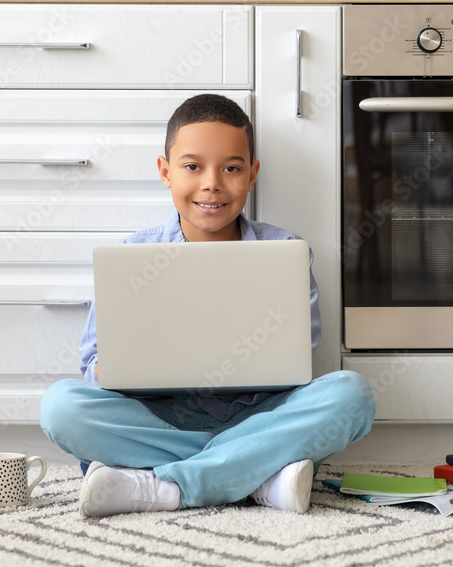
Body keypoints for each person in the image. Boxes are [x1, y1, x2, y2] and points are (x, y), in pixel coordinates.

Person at [40, 93, 376, 517]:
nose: (212, 183)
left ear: (252, 175)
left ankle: (166, 486)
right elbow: (93, 361)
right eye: (192, 166)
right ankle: (258, 473)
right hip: (164, 422)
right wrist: (113, 369)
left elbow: (296, 352)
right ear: (166, 172)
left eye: (231, 168)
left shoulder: (284, 251)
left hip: (258, 416)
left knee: (351, 395)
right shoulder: (132, 254)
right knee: (62, 407)